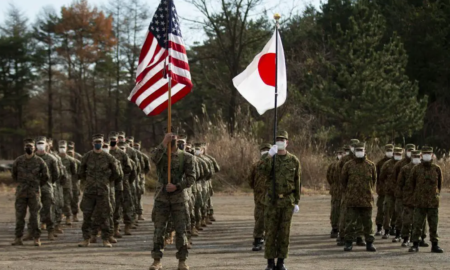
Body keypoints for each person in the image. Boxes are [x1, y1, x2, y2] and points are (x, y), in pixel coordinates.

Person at [149, 131, 195, 270]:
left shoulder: (186, 157)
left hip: (179, 199)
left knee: (181, 231)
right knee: (159, 230)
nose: (173, 138)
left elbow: (191, 178)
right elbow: (153, 159)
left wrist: (177, 186)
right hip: (161, 198)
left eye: (175, 135)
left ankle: (182, 260)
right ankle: (157, 260)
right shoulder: (160, 154)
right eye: (170, 135)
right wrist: (163, 142)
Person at [258, 131, 301, 270]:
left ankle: (281, 261)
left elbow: (297, 182)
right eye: (278, 140)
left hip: (287, 201)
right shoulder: (269, 158)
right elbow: (261, 170)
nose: (280, 142)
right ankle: (270, 263)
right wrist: (269, 155)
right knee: (270, 232)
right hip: (272, 201)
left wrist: (297, 201)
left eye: (283, 140)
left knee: (284, 233)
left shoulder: (294, 160)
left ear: (287, 143)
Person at [78, 134, 120, 248]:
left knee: (105, 215)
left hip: (103, 190)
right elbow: (80, 172)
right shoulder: (87, 156)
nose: (98, 143)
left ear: (103, 143)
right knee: (87, 215)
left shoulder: (108, 157)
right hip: (89, 191)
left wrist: (106, 181)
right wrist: (88, 182)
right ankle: (86, 239)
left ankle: (106, 239)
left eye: (100, 142)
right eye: (96, 141)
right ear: (92, 143)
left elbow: (117, 173)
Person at [11, 139, 50, 247]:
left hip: (34, 193)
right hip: (21, 193)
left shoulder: (39, 161)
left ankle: (36, 238)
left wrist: (37, 185)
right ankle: (18, 238)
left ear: (34, 149)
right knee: (19, 217)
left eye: (31, 147)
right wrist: (20, 185)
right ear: (24, 148)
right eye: (27, 147)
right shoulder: (18, 161)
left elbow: (46, 176)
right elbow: (14, 175)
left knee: (35, 217)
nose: (29, 148)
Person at [340, 142, 377, 252]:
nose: (360, 152)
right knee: (350, 222)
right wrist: (349, 193)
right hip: (352, 200)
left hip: (366, 199)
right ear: (354, 152)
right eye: (358, 150)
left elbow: (374, 181)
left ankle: (369, 243)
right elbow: (343, 181)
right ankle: (348, 243)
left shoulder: (371, 165)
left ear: (365, 151)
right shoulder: (348, 165)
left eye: (361, 150)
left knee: (368, 223)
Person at [408, 146, 444, 253]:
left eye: (429, 153)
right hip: (419, 202)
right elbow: (412, 184)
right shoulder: (416, 169)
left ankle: (435, 245)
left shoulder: (436, 169)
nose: (427, 155)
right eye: (425, 154)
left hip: (433, 202)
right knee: (417, 224)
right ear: (421, 155)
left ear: (432, 155)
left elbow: (439, 185)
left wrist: (435, 195)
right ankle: (415, 244)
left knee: (433, 224)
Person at [398, 150, 427, 247]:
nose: (416, 158)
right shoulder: (405, 169)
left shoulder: (425, 169)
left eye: (418, 156)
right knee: (407, 220)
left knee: (421, 222)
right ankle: (405, 238)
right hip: (409, 199)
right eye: (414, 156)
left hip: (422, 200)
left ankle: (421, 239)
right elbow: (400, 183)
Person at [35, 136, 60, 240]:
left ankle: (50, 230)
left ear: (46, 145)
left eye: (42, 143)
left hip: (47, 187)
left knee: (48, 210)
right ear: (36, 145)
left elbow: (56, 174)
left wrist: (49, 183)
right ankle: (34, 232)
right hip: (35, 189)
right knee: (34, 211)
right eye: (39, 143)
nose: (41, 145)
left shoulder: (51, 159)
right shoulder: (33, 158)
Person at [248, 143, 271, 251]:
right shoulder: (256, 165)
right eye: (264, 150)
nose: (265, 151)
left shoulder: (273, 165)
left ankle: (269, 238)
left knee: (270, 218)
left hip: (270, 196)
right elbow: (250, 180)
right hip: (260, 196)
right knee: (260, 218)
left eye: (267, 150)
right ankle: (258, 239)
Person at [379, 147, 403, 239]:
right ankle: (386, 230)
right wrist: (387, 186)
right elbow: (381, 177)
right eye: (396, 154)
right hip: (389, 193)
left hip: (400, 194)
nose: (398, 155)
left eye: (400, 154)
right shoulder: (387, 164)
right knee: (387, 212)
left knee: (399, 213)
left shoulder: (405, 164)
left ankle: (396, 230)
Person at [374, 144, 394, 236]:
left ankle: (392, 228)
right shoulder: (380, 163)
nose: (390, 152)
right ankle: (379, 227)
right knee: (381, 209)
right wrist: (378, 188)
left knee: (394, 210)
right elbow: (377, 177)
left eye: (391, 150)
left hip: (394, 191)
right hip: (383, 191)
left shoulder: (397, 163)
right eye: (388, 150)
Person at [58, 140, 78, 226]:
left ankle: (68, 217)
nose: (62, 149)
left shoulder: (71, 160)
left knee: (67, 201)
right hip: (57, 184)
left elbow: (74, 172)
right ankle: (58, 219)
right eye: (60, 147)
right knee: (57, 201)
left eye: (63, 147)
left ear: (66, 148)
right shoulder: (55, 158)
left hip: (67, 183)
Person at [326, 148, 344, 238]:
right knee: (335, 210)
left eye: (342, 153)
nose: (341, 155)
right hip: (336, 191)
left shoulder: (348, 164)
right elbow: (329, 177)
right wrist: (334, 186)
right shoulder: (333, 165)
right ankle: (335, 228)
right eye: (339, 153)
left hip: (346, 191)